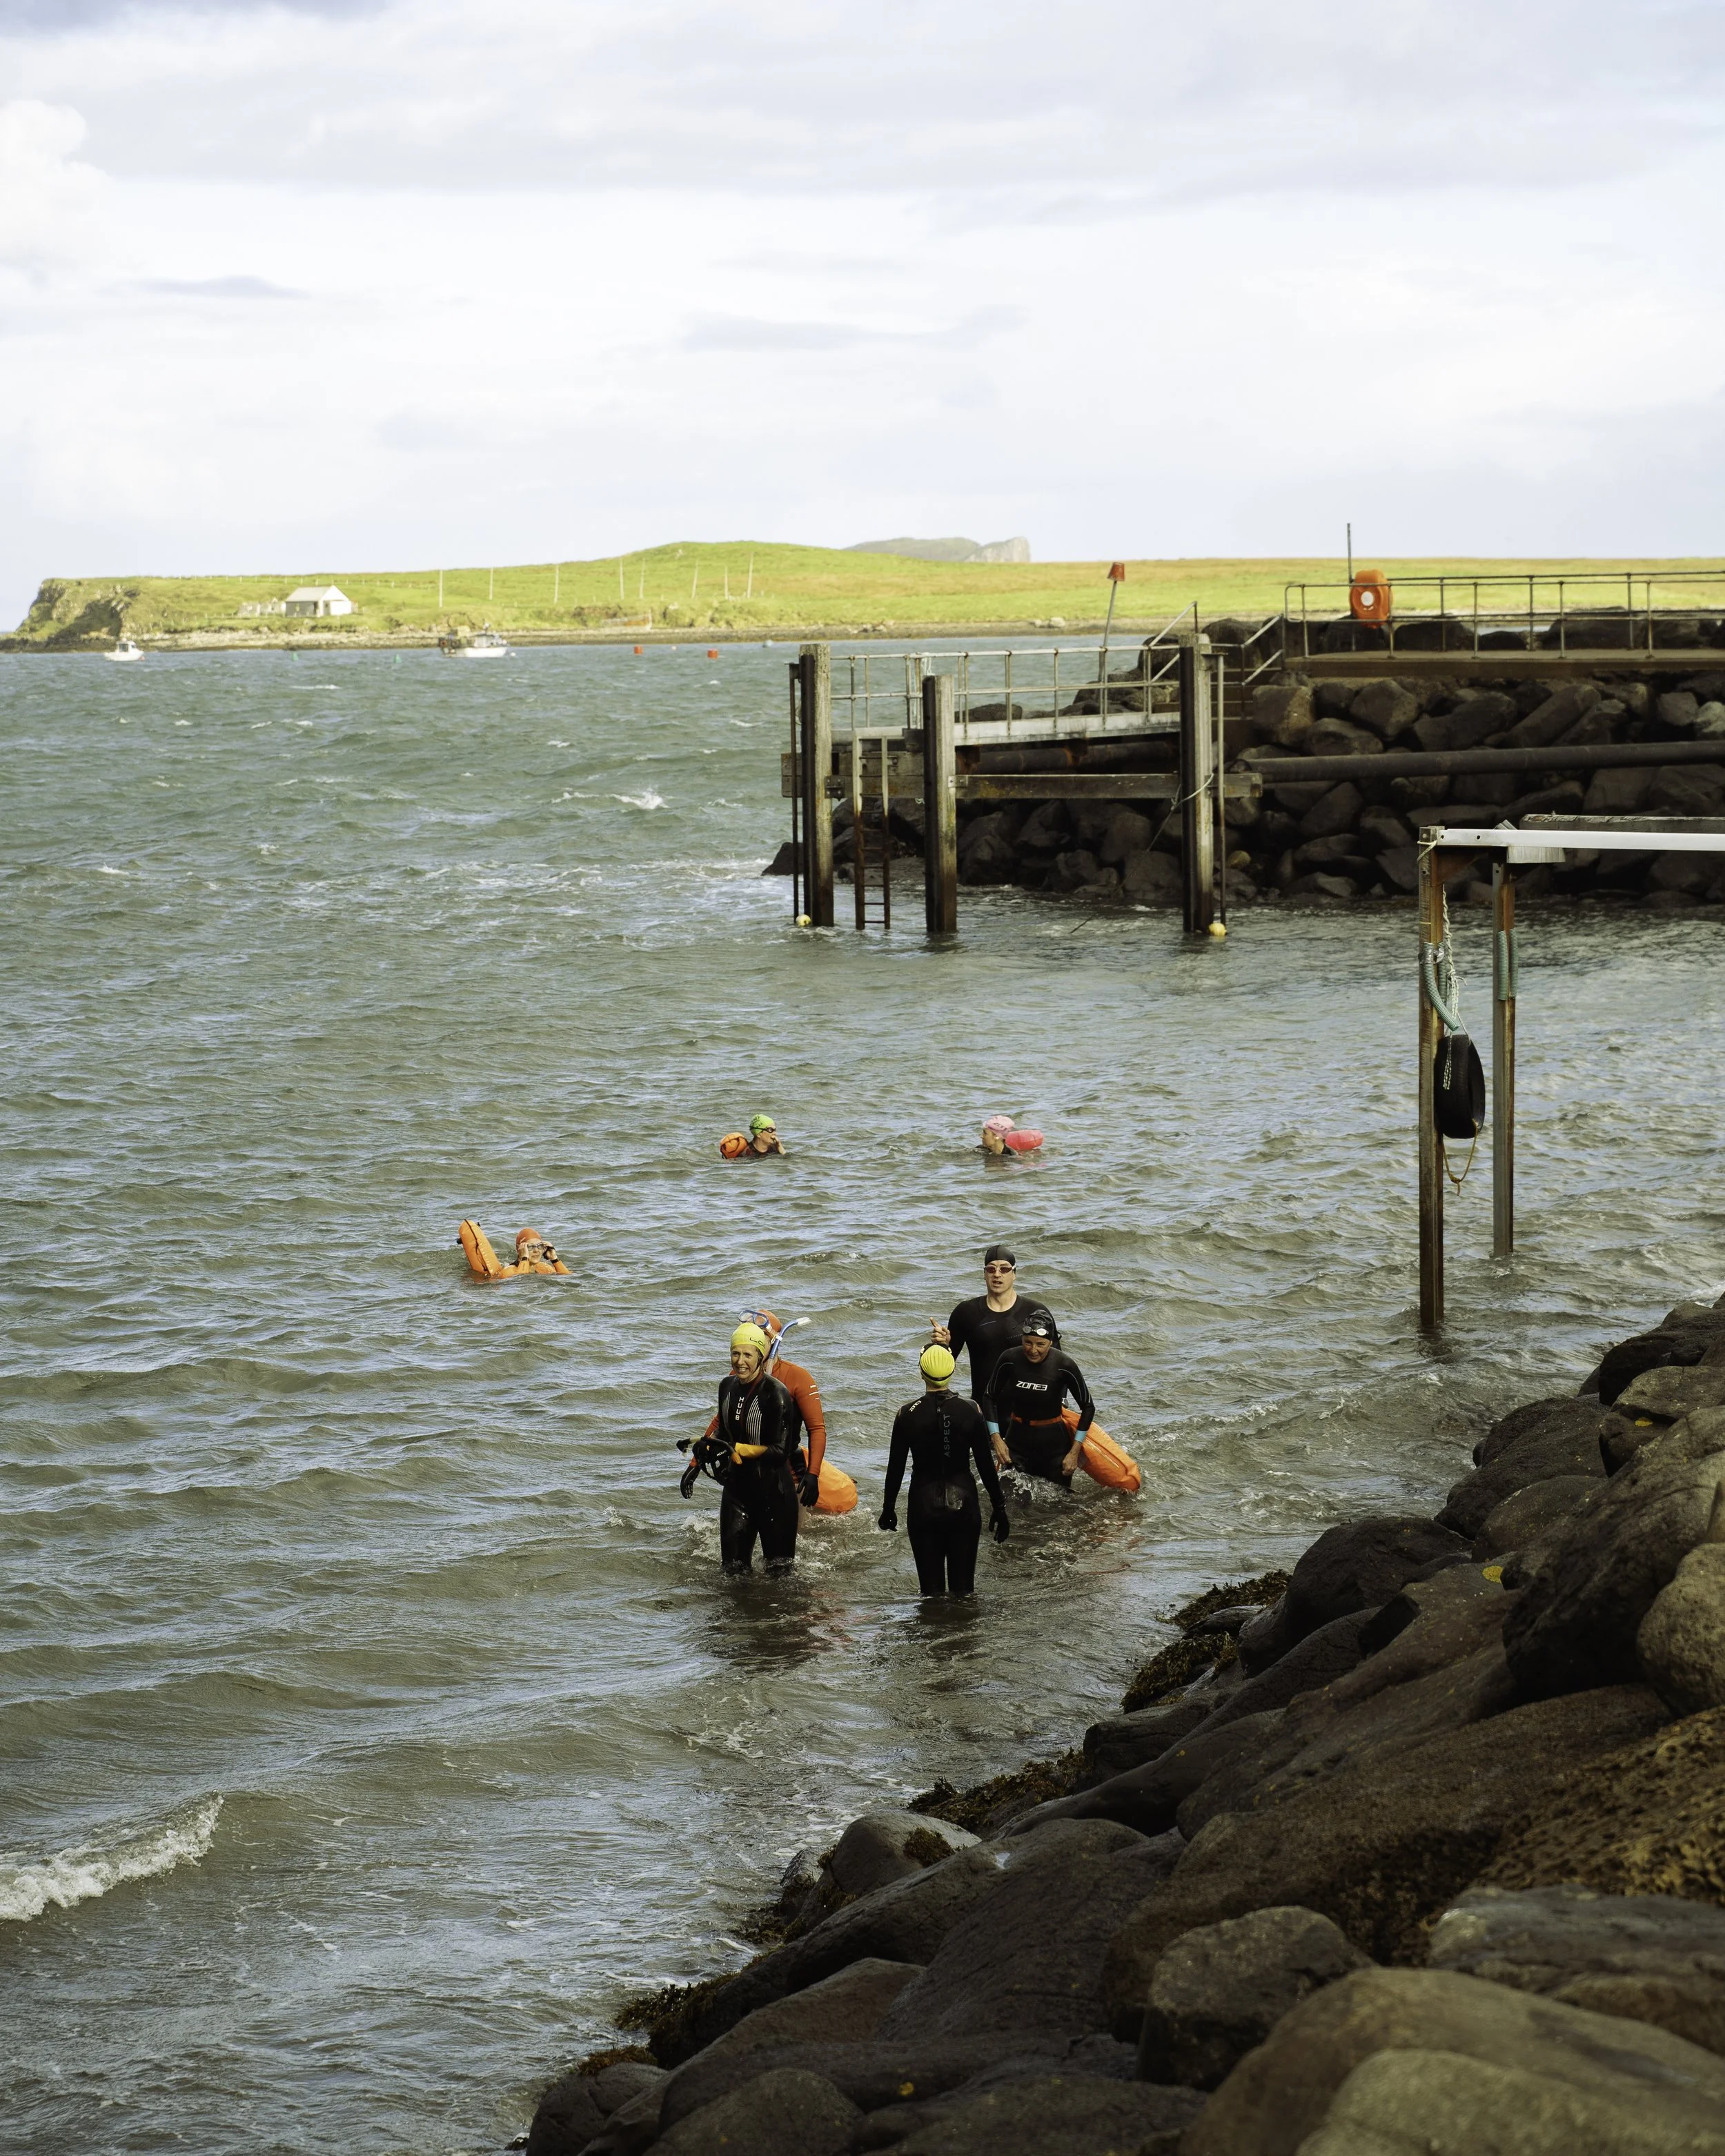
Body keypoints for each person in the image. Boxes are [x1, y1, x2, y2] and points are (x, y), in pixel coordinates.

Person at [879, 1344, 1009, 1595]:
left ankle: (933, 1630)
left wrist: (888, 1509)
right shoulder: (972, 1410)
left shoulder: (906, 1414)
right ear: (953, 1370)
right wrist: (999, 1507)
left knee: (930, 1594)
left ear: (921, 1372)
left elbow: (895, 1467)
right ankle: (963, 1632)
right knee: (964, 1593)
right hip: (965, 1505)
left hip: (923, 1506)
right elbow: (984, 1464)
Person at [930, 1245, 1058, 1462]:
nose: (997, 1274)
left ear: (1014, 1274)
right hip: (984, 1412)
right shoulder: (966, 1313)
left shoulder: (1035, 1312)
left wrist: (1059, 1406)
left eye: (1004, 1269)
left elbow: (1057, 1366)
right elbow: (943, 1369)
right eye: (991, 1269)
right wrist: (942, 1346)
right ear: (984, 1274)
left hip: (1028, 1414)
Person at [710, 1322, 802, 1572]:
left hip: (775, 1495)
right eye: (735, 1353)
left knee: (780, 1573)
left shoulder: (776, 1393)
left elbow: (781, 1451)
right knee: (732, 1571)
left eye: (748, 1355)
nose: (740, 1361)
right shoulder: (726, 1387)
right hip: (737, 1493)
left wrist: (745, 1449)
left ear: (761, 1357)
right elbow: (724, 1430)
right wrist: (706, 1451)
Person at [988, 1315, 1096, 1488]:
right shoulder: (1010, 1359)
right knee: (1010, 1503)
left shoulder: (1064, 1364)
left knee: (1058, 1508)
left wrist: (1074, 1452)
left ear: (1051, 1342)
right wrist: (997, 1439)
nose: (1033, 1350)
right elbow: (989, 1397)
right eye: (1028, 1342)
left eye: (1040, 1344)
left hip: (1054, 1448)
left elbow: (1088, 1408)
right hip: (1016, 1444)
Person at [751, 1309, 825, 1507]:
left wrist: (813, 1475)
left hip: (790, 1473)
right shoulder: (738, 1375)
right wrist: (695, 1463)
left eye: (758, 1340)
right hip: (748, 1472)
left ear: (773, 1342)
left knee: (792, 1537)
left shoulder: (797, 1377)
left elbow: (817, 1429)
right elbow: (721, 1421)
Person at [458, 1222, 570, 1279]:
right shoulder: (509, 1272)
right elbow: (521, 1281)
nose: (537, 1251)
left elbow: (569, 1279)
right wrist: (525, 1257)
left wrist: (555, 1260)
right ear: (520, 1249)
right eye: (530, 1247)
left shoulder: (544, 1268)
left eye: (540, 1246)